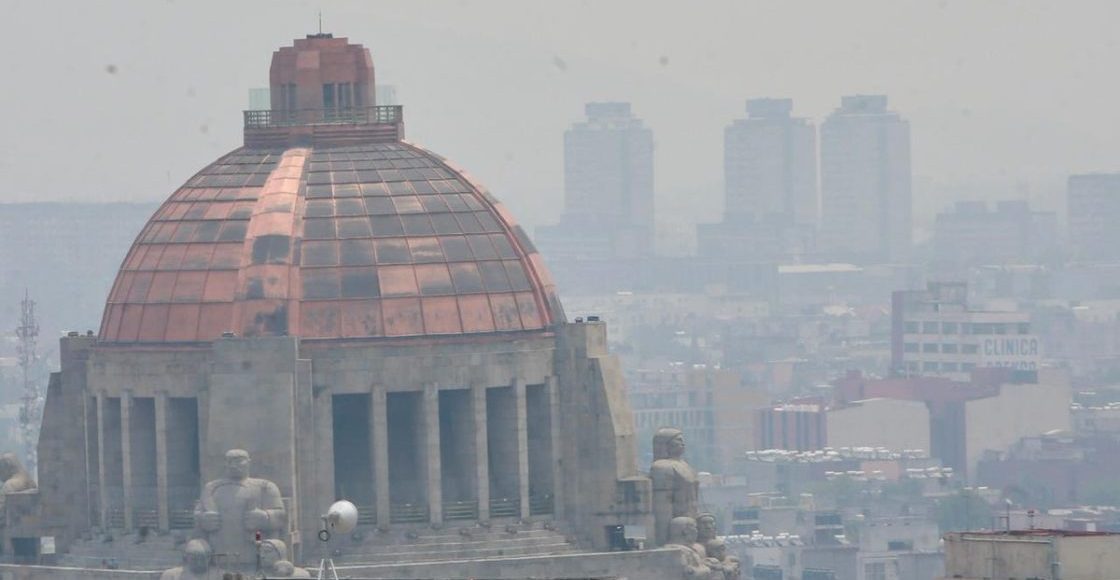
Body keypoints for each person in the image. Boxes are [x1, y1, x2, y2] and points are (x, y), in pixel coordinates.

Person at [195, 450, 286, 570]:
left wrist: (265, 517)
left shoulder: (264, 487)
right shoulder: (211, 488)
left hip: (255, 546)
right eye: (229, 461)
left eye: (238, 461)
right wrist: (204, 519)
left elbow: (281, 516)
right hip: (219, 552)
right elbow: (198, 514)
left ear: (248, 462)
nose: (233, 465)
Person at [650, 428, 699, 546]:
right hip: (677, 524)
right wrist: (664, 539)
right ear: (666, 444)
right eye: (678, 440)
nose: (683, 443)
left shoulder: (685, 464)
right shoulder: (661, 467)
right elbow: (663, 506)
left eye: (682, 440)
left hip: (690, 518)